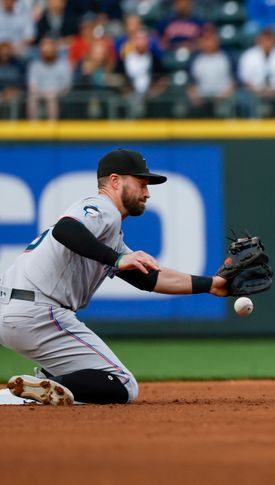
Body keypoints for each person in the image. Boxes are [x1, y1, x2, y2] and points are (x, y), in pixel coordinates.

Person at [0, 149, 229, 406]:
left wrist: (211, 285)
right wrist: (117, 259)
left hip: (14, 311)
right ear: (115, 181)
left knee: (87, 377)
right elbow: (65, 230)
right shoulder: (102, 208)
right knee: (122, 383)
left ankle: (27, 391)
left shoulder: (108, 234)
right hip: (39, 314)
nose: (147, 192)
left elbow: (148, 279)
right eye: (141, 183)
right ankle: (49, 387)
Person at [237, 28, 275, 118]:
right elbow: (244, 79)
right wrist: (257, 90)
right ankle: (252, 128)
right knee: (244, 97)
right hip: (255, 92)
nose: (267, 42)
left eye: (269, 39)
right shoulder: (248, 55)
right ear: (258, 40)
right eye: (264, 39)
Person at [186, 27, 235, 117]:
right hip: (201, 100)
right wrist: (195, 97)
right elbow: (190, 83)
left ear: (217, 40)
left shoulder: (226, 57)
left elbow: (235, 81)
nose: (208, 43)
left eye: (211, 39)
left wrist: (224, 95)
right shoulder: (195, 59)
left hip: (223, 98)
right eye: (205, 39)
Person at [27, 36, 72, 121]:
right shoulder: (35, 66)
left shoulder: (64, 65)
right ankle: (33, 128)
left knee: (51, 98)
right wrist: (44, 93)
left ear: (55, 49)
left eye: (49, 48)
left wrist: (55, 92)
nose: (47, 50)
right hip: (40, 96)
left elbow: (67, 87)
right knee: (32, 97)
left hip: (59, 97)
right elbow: (32, 86)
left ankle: (52, 130)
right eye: (44, 48)